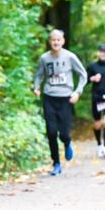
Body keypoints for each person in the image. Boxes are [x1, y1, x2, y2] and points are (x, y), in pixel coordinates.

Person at [32, 29, 87, 176]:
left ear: (63, 41)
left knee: (63, 133)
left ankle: (67, 142)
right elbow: (39, 75)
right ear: (49, 42)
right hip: (49, 97)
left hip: (65, 98)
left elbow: (83, 75)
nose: (56, 42)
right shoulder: (44, 58)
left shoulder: (70, 57)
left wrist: (77, 92)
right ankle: (56, 163)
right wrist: (36, 87)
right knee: (51, 132)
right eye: (53, 40)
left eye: (58, 39)